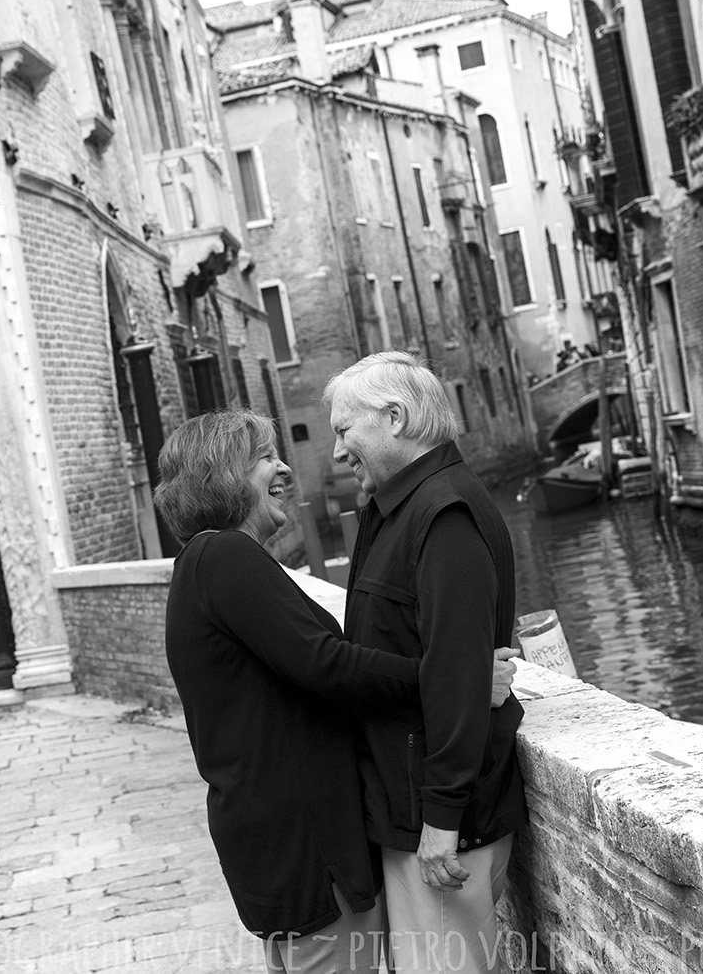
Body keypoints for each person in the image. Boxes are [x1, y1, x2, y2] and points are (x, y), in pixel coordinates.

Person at [155, 409, 515, 973]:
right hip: (306, 848)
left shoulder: (207, 564)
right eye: (264, 457)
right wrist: (457, 677)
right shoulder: (222, 556)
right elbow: (326, 664)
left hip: (282, 844)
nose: (283, 467)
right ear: (220, 475)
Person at [324, 353, 528, 974]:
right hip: (405, 808)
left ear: (395, 417)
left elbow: (458, 675)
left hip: (437, 825)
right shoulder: (393, 510)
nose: (336, 453)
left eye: (343, 430)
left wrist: (441, 818)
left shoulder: (445, 516)